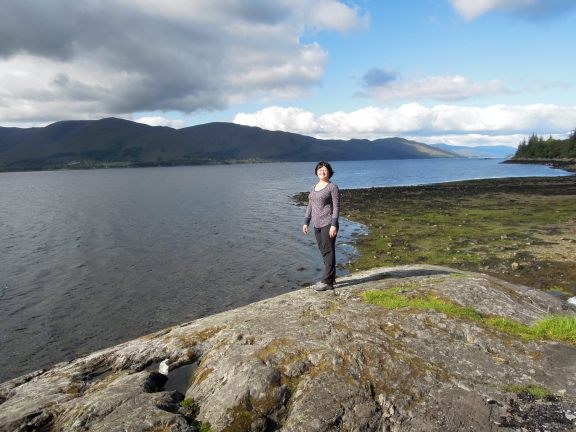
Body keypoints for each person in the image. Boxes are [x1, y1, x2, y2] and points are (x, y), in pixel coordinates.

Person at [303, 161, 340, 291]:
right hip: (316, 224)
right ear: (316, 171)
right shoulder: (314, 187)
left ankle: (327, 281)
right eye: (319, 170)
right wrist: (306, 222)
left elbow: (336, 207)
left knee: (328, 250)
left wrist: (334, 225)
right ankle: (331, 277)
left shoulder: (332, 187)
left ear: (329, 172)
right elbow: (310, 206)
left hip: (328, 223)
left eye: (324, 170)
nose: (322, 172)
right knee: (323, 251)